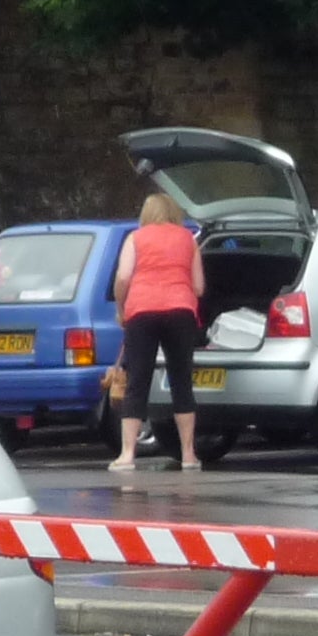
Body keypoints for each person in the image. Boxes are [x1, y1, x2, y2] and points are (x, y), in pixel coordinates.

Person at [108, 194, 204, 474]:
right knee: (181, 382)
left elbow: (124, 277)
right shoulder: (189, 239)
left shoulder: (135, 239)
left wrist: (120, 308)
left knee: (137, 381)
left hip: (142, 312)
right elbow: (198, 286)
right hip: (181, 311)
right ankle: (188, 455)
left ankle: (127, 455)